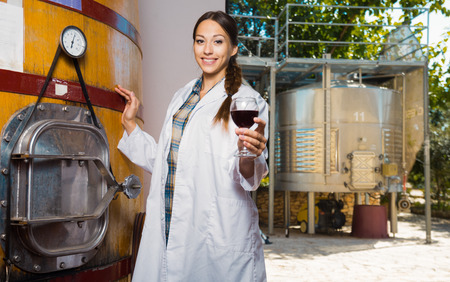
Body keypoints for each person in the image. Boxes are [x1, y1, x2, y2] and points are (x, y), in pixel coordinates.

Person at [115, 10, 268, 281]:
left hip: (216, 232)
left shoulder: (249, 101)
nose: (207, 50)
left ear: (233, 48)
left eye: (218, 42)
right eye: (200, 41)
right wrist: (130, 125)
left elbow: (249, 177)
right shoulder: (182, 96)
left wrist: (250, 154)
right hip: (169, 222)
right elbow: (169, 162)